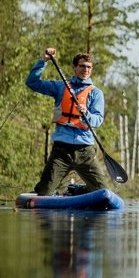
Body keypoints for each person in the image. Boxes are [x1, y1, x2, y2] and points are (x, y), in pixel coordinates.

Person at [26, 47, 109, 196]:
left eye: (89, 67)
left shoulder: (96, 93)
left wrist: (87, 114)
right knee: (44, 192)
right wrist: (43, 61)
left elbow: (97, 120)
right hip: (61, 151)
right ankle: (54, 188)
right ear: (75, 67)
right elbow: (32, 83)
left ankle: (77, 191)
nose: (86, 69)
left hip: (85, 151)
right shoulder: (60, 87)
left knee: (103, 192)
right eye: (82, 66)